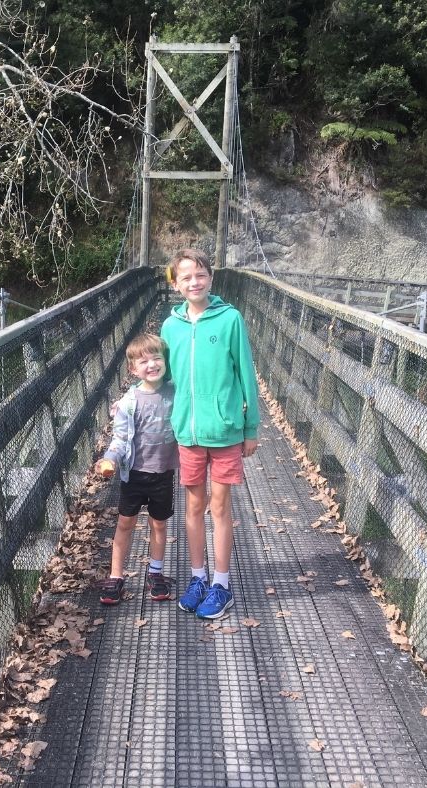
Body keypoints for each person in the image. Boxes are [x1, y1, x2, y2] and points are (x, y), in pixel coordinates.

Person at [161, 248, 259, 619]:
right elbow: (163, 376)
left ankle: (221, 584)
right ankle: (197, 577)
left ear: (211, 279)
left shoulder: (230, 319)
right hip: (187, 432)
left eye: (200, 275)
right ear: (176, 284)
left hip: (225, 431)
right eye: (185, 277)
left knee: (219, 507)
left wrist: (251, 428)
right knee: (193, 507)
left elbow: (246, 375)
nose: (194, 282)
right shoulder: (170, 327)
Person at [95, 333, 179, 605]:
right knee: (125, 523)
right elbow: (120, 439)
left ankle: (155, 573)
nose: (152, 365)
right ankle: (116, 576)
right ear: (133, 369)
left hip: (163, 473)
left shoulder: (176, 393)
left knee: (159, 524)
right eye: (144, 361)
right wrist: (110, 458)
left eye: (157, 358)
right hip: (134, 474)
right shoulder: (129, 402)